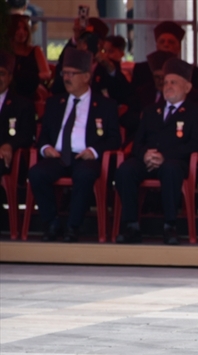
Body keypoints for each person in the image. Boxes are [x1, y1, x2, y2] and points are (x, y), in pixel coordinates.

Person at [28, 48, 121, 242]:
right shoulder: (55, 103)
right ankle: (52, 222)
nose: (66, 78)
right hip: (58, 156)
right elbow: (43, 133)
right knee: (37, 173)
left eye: (72, 74)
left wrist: (94, 151)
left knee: (84, 174)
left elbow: (114, 138)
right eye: (64, 73)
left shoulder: (105, 105)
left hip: (84, 156)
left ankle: (73, 226)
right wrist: (46, 148)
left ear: (86, 76)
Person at [114, 58, 198, 245]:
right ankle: (131, 225)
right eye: (166, 82)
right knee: (125, 170)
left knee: (170, 170)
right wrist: (145, 155)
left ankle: (170, 226)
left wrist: (165, 156)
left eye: (173, 82)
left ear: (187, 87)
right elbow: (136, 143)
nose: (168, 86)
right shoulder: (150, 110)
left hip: (175, 160)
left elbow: (197, 144)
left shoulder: (196, 112)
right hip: (147, 160)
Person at [130, 22, 198, 96]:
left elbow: (197, 98)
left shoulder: (190, 71)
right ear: (157, 46)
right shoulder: (141, 70)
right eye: (162, 42)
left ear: (179, 48)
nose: (166, 45)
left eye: (171, 42)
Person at [0, 51, 36, 179]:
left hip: (7, 157)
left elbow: (27, 135)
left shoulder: (22, 105)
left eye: (2, 74)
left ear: (10, 77)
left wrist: (9, 145)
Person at [52, 16, 107, 96]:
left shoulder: (105, 67)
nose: (84, 45)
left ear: (100, 43)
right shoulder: (70, 62)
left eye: (89, 41)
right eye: (82, 40)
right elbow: (57, 88)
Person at [10, 14, 49, 97]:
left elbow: (46, 73)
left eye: (25, 29)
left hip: (31, 89)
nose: (21, 32)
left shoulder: (35, 50)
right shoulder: (6, 51)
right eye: (17, 28)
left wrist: (31, 78)